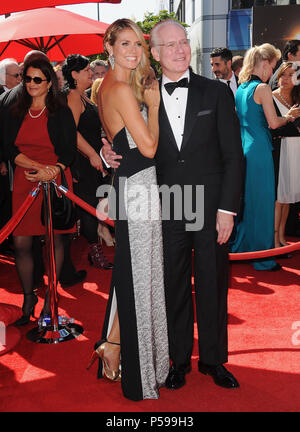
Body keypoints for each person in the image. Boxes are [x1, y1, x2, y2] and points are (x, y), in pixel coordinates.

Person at [103, 19, 244, 390]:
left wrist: (227, 209)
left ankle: (213, 360)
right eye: (170, 45)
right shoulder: (139, 90)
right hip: (163, 205)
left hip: (211, 206)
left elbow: (234, 156)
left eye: (184, 42)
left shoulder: (215, 92)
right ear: (155, 53)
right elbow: (120, 131)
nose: (180, 50)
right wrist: (108, 152)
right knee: (174, 285)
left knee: (213, 284)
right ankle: (178, 359)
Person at [87, 18, 169, 401]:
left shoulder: (102, 86)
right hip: (138, 191)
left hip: (131, 187)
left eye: (138, 43)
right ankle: (131, 366)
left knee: (133, 274)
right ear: (109, 47)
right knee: (140, 277)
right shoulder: (119, 89)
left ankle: (112, 347)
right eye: (125, 44)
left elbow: (114, 136)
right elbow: (149, 148)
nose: (134, 51)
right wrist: (152, 106)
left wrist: (107, 146)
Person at [2, 58, 77, 326]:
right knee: (21, 243)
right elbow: (8, 148)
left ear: (49, 83)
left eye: (37, 80)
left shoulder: (61, 111)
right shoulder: (15, 109)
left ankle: (51, 297)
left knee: (55, 241)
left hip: (55, 181)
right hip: (26, 182)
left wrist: (52, 170)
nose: (31, 84)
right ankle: (28, 297)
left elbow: (69, 150)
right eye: (27, 79)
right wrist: (37, 167)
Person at [231, 44, 300, 271]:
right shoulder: (261, 88)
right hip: (260, 150)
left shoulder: (241, 88)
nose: (274, 70)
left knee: (250, 203)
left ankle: (245, 248)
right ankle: (263, 257)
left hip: (245, 149)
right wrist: (289, 117)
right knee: (262, 204)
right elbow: (273, 123)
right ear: (265, 62)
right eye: (273, 65)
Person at [62, 54, 112, 270]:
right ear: (74, 74)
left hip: (93, 161)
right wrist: (92, 154)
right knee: (89, 208)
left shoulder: (84, 96)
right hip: (82, 163)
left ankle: (96, 248)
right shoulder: (73, 96)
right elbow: (70, 132)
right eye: (86, 71)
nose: (91, 73)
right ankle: (94, 250)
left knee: (94, 205)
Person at [272, 62, 300, 248]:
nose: (285, 79)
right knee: (278, 197)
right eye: (283, 74)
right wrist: (290, 120)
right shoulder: (271, 97)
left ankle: (282, 237)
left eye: (290, 75)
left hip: (295, 150)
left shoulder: (297, 98)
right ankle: (274, 240)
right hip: (280, 151)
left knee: (288, 196)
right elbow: (274, 129)